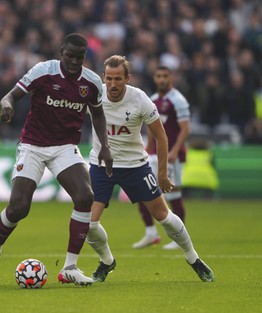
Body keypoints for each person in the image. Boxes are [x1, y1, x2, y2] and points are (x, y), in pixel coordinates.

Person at [0, 33, 113, 287]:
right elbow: (10, 96)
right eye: (70, 56)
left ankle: (70, 268)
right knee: (19, 207)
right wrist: (7, 105)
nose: (74, 62)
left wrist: (105, 146)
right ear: (61, 51)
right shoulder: (43, 71)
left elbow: (97, 114)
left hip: (65, 146)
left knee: (86, 196)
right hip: (33, 144)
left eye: (80, 57)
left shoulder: (92, 82)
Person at [86, 56, 214, 283]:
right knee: (89, 224)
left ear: (128, 78)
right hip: (101, 164)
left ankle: (193, 259)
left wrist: (162, 174)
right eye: (109, 79)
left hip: (135, 166)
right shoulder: (94, 95)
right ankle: (107, 261)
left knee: (163, 216)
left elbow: (161, 136)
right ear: (103, 78)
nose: (113, 84)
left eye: (118, 79)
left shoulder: (140, 99)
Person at [132, 65, 191, 250]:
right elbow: (152, 127)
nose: (162, 79)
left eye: (165, 76)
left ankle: (179, 237)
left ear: (171, 78)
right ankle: (151, 233)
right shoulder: (154, 100)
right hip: (154, 154)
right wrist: (148, 149)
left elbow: (185, 129)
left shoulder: (178, 100)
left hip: (172, 156)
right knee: (143, 192)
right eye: (159, 76)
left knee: (173, 195)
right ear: (155, 78)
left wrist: (174, 151)